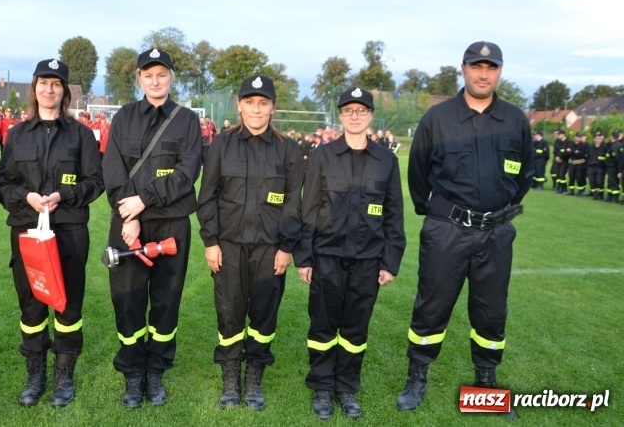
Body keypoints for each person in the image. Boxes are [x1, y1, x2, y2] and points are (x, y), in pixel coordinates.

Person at [397, 42, 533, 419]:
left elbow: (524, 176)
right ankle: (417, 377)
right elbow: (418, 175)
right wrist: (441, 214)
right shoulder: (437, 119)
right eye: (477, 66)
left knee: (491, 312)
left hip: (496, 233)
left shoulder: (515, 119)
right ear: (464, 69)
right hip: (447, 231)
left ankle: (486, 384)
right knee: (431, 306)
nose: (483, 74)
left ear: (500, 72)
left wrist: (496, 212)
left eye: (491, 67)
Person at [0, 59, 104, 407]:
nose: (49, 90)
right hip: (27, 232)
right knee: (31, 305)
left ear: (66, 91)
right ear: (34, 89)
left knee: (68, 306)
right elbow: (3, 182)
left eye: (57, 84)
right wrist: (24, 197)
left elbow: (95, 182)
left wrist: (65, 196)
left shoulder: (82, 134)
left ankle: (63, 377)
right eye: (44, 83)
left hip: (69, 231)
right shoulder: (16, 134)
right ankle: (35, 375)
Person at [296, 88, 405, 420]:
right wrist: (305, 257)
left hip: (368, 260)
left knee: (356, 329)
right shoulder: (322, 155)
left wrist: (390, 260)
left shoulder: (386, 160)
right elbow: (309, 208)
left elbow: (394, 214)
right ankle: (322, 387)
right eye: (348, 111)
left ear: (371, 116)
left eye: (361, 110)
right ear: (340, 116)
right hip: (327, 255)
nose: (355, 116)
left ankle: (346, 386)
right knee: (323, 325)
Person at [102, 48, 203, 408]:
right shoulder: (124, 117)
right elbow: (112, 171)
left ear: (171, 78)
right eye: (148, 75)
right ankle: (132, 373)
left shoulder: (188, 120)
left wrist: (143, 201)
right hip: (127, 223)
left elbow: (187, 173)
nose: (155, 81)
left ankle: (156, 370)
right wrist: (130, 218)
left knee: (165, 301)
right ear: (139, 79)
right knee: (128, 301)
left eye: (162, 74)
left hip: (171, 223)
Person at [197, 75, 303, 411]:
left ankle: (254, 377)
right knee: (229, 312)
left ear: (272, 107)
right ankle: (231, 377)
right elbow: (207, 195)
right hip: (227, 245)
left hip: (270, 249)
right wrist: (210, 241)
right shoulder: (221, 144)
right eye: (249, 102)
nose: (256, 109)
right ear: (239, 105)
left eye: (263, 103)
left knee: (263, 314)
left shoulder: (288, 149)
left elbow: (293, 204)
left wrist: (286, 247)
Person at [565, 132, 589, 196]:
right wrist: (575, 152)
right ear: (575, 137)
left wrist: (572, 151)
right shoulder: (570, 144)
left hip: (580, 163)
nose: (578, 138)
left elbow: (582, 154)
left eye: (580, 137)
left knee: (579, 177)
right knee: (571, 177)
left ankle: (580, 191)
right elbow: (567, 153)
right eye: (577, 136)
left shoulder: (584, 145)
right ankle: (571, 191)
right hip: (571, 163)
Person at [587, 132, 608, 200]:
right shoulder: (590, 147)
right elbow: (588, 156)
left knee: (599, 181)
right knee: (592, 181)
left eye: (599, 138)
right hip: (591, 166)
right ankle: (594, 193)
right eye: (596, 138)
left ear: (601, 139)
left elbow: (607, 157)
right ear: (594, 139)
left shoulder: (605, 147)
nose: (598, 140)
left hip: (601, 166)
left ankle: (600, 194)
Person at [605, 130, 622, 202]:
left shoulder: (615, 146)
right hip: (611, 167)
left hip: (613, 167)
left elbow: (617, 159)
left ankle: (615, 198)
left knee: (613, 182)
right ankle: (609, 196)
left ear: (612, 136)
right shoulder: (614, 145)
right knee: (610, 182)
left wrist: (619, 170)